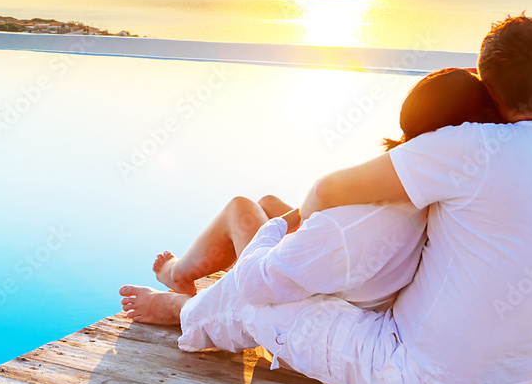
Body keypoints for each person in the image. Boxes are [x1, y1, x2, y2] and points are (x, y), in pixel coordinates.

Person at [120, 17, 532, 384]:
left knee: (262, 295)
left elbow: (330, 189)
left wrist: (294, 223)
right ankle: (195, 285)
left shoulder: (471, 146)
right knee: (304, 252)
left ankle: (181, 308)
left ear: (490, 91)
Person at [146, 68, 502, 312]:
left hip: (319, 297)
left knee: (241, 208)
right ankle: (187, 270)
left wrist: (296, 229)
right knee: (268, 202)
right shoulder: (454, 178)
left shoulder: (403, 178)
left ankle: (179, 276)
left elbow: (326, 194)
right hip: (359, 282)